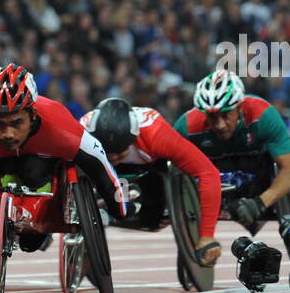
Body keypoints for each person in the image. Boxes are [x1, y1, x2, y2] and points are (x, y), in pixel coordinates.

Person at [0, 63, 127, 252]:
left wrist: (118, 209)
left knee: (30, 240)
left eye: (17, 122)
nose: (8, 134)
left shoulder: (62, 128)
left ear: (33, 115)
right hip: (1, 163)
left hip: (44, 167)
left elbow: (102, 167)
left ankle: (40, 222)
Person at [81, 97, 222, 267]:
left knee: (153, 218)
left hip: (149, 169)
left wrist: (207, 235)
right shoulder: (83, 130)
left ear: (133, 138)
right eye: (108, 152)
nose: (113, 157)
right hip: (98, 164)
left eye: (119, 152)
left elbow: (208, 173)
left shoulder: (157, 135)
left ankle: (139, 205)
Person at [173, 70, 290, 234]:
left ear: (239, 107)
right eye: (212, 117)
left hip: (258, 184)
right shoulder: (187, 127)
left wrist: (260, 203)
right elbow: (170, 172)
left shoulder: (262, 116)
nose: (219, 125)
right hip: (211, 188)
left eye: (226, 115)